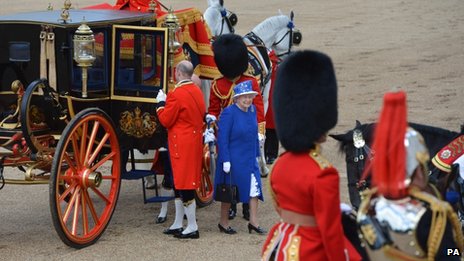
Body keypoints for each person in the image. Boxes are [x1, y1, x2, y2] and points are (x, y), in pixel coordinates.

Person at [261, 50, 361, 260]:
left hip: (280, 243)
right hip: (311, 250)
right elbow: (331, 233)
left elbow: (280, 206)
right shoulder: (324, 173)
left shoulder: (280, 164)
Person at [357, 91, 464, 260]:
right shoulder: (430, 214)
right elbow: (447, 253)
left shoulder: (366, 208)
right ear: (417, 172)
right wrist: (459, 252)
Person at [208, 33, 266, 221]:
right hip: (227, 136)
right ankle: (231, 203)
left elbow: (258, 109)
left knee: (249, 170)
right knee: (230, 173)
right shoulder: (218, 84)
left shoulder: (250, 82)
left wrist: (261, 133)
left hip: (248, 136)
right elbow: (214, 110)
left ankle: (248, 207)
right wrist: (212, 125)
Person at [155, 60, 206, 239]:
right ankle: (178, 222)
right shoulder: (197, 91)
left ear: (178, 72)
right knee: (180, 183)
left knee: (185, 186)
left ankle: (192, 225)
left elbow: (166, 120)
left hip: (181, 143)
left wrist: (160, 104)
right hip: (192, 141)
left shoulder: (176, 93)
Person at [215, 80, 266, 235]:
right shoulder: (229, 113)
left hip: (249, 160)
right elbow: (222, 138)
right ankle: (223, 223)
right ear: (236, 98)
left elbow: (253, 134)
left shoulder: (252, 110)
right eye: (244, 97)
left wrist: (257, 154)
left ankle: (254, 223)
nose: (247, 100)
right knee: (229, 193)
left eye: (249, 97)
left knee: (254, 191)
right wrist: (225, 160)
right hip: (233, 160)